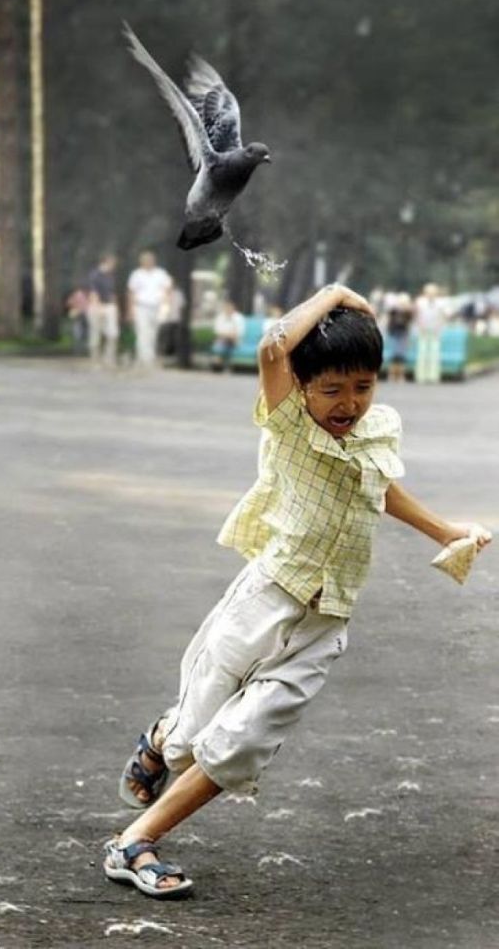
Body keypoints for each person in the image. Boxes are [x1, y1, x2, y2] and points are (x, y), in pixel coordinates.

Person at [103, 283, 491, 899]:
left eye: (362, 386)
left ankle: (134, 842)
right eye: (332, 389)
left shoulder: (377, 430)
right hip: (264, 598)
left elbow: (377, 489)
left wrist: (445, 529)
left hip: (325, 620)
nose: (349, 403)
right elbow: (273, 346)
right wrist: (334, 294)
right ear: (304, 386)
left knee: (241, 741)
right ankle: (158, 741)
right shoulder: (286, 423)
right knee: (189, 738)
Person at [127, 249, 173, 367]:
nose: (148, 262)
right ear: (142, 262)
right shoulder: (136, 274)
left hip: (156, 306)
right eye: (145, 260)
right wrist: (131, 309)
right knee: (142, 332)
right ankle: (146, 359)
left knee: (153, 333)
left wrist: (166, 306)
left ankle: (147, 356)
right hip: (141, 306)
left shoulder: (161, 273)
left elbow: (167, 289)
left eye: (150, 260)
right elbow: (131, 292)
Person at [87, 253, 119, 366]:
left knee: (112, 333)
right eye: (112, 263)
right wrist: (98, 307)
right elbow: (93, 293)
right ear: (105, 262)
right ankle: (95, 359)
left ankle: (109, 359)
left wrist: (115, 306)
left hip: (109, 306)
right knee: (95, 333)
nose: (114, 265)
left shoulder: (111, 276)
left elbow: (112, 293)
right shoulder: (95, 275)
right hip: (97, 306)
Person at [414, 283, 446, 384]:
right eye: (429, 292)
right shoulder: (420, 302)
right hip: (423, 331)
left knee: (434, 354)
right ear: (425, 293)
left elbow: (442, 316)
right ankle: (421, 376)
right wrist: (419, 327)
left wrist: (439, 328)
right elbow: (417, 316)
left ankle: (433, 376)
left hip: (435, 331)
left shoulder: (440, 303)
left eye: (433, 292)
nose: (431, 294)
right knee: (422, 353)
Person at [211, 298, 245, 370]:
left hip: (235, 340)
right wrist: (228, 335)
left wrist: (229, 335)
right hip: (223, 339)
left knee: (232, 340)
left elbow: (239, 333)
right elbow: (217, 332)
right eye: (226, 307)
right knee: (220, 343)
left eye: (230, 307)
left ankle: (228, 363)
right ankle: (219, 364)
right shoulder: (220, 317)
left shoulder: (238, 318)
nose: (228, 309)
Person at [386, 292, 413, 381]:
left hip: (404, 333)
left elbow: (410, 320)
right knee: (394, 354)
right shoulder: (393, 310)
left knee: (401, 355)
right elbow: (389, 318)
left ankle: (401, 375)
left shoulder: (408, 312)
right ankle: (392, 375)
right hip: (394, 332)